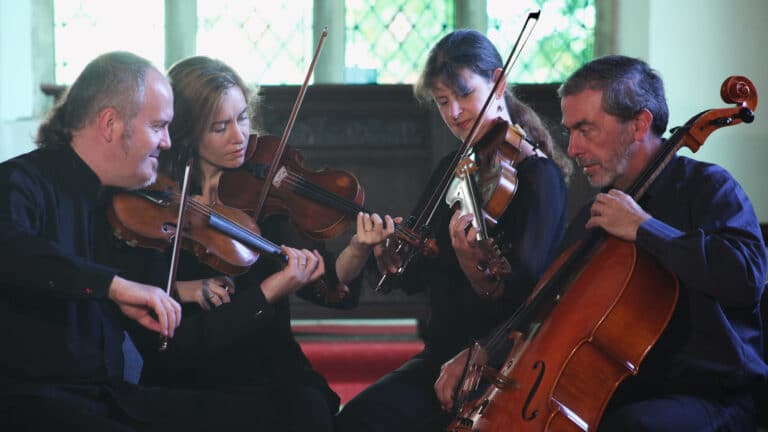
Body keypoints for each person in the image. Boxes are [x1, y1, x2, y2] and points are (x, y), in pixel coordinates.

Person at [436, 55, 767, 431]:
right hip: (620, 390)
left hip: (714, 395)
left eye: (586, 130)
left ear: (639, 124)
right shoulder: (598, 210)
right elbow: (547, 305)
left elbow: (746, 277)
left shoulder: (708, 187)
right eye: (569, 132)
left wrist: (645, 228)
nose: (573, 148)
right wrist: (486, 350)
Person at [0, 51, 291, 431]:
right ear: (110, 124)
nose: (168, 142)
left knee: (278, 416)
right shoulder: (19, 182)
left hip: (108, 396)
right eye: (158, 126)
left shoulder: (115, 202)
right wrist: (116, 288)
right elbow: (13, 251)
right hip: (35, 403)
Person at [110, 55, 392, 432]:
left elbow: (326, 287)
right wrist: (269, 289)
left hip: (271, 372)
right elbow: (172, 338)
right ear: (187, 132)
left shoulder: (263, 192)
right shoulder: (153, 210)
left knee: (307, 410)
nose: (239, 136)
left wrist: (357, 248)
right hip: (195, 375)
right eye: (220, 127)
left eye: (242, 118)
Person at [334, 29, 570, 432]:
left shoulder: (539, 177)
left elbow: (532, 297)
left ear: (498, 82)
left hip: (502, 363)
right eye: (443, 101)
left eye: (464, 95)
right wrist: (390, 255)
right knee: (354, 421)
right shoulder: (454, 167)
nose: (455, 112)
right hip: (440, 354)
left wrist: (474, 267)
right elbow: (418, 268)